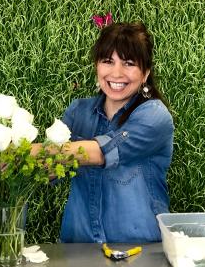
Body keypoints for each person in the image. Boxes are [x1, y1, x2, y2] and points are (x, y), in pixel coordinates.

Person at [56, 21, 174, 243]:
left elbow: (101, 152)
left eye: (129, 63)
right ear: (97, 66)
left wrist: (29, 153)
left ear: (145, 73)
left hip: (140, 253)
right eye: (108, 61)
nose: (116, 73)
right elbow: (50, 172)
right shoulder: (77, 112)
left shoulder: (155, 116)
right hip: (78, 249)